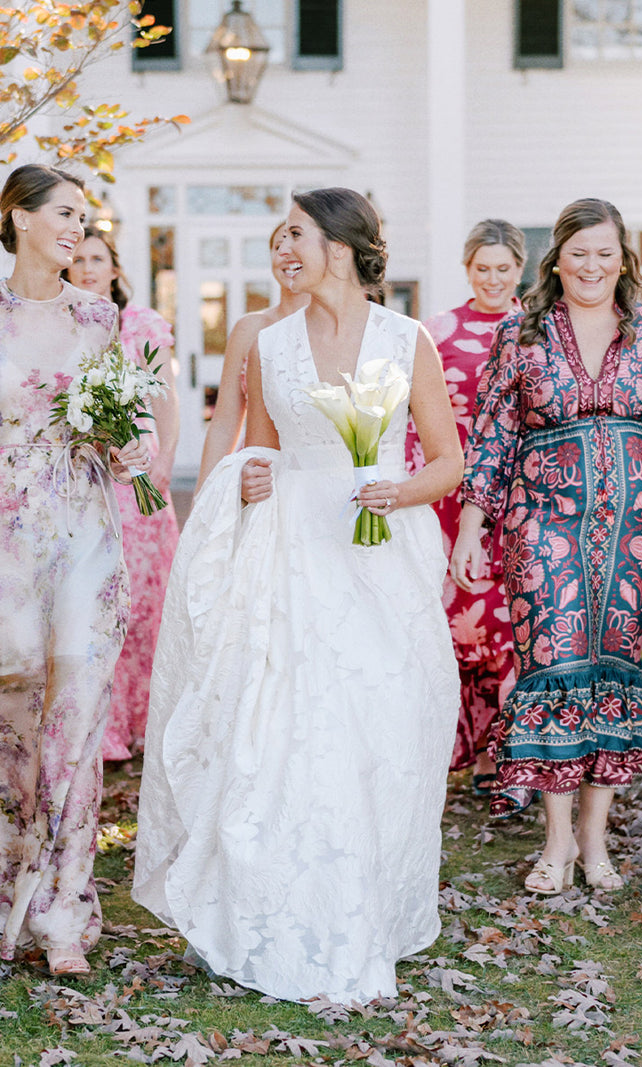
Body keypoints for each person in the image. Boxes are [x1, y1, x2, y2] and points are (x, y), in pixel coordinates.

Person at [135, 188, 462, 1003]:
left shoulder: (405, 337)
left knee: (378, 727)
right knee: (290, 731)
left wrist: (398, 490)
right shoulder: (267, 345)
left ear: (342, 249)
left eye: (299, 236)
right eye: (280, 238)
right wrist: (250, 478)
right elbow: (263, 451)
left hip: (381, 556)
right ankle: (286, 907)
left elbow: (449, 460)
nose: (284, 250)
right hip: (290, 558)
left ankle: (373, 906)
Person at [0, 164, 148, 975]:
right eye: (66, 214)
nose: (79, 228)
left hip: (84, 522)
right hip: (1, 524)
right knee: (4, 701)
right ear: (20, 219)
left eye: (86, 216)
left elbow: (123, 435)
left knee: (75, 706)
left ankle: (63, 907)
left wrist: (132, 447)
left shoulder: (99, 318)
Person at [450, 198, 642, 894]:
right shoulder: (523, 332)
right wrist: (471, 527)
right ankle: (555, 846)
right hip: (540, 522)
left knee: (609, 667)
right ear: (557, 259)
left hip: (636, 525)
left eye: (605, 253)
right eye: (579, 252)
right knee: (552, 668)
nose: (592, 266)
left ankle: (595, 843)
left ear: (624, 258)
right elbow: (492, 434)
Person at [405, 219, 527, 797]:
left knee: (516, 625)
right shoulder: (437, 332)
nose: (494, 279)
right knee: (465, 627)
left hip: (525, 496)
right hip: (454, 499)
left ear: (520, 271)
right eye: (483, 269)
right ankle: (480, 755)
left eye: (504, 269)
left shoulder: (540, 330)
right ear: (467, 269)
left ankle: (518, 756)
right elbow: (414, 421)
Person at [65, 224, 180, 760]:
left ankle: (147, 719)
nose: (88, 267)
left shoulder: (143, 325)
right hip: (85, 474)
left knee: (144, 604)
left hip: (140, 480)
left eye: (98, 258)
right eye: (79, 258)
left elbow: (166, 400)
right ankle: (102, 727)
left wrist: (164, 465)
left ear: (115, 268)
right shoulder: (62, 324)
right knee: (94, 599)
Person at [194, 222, 310, 489]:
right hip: (258, 478)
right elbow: (224, 424)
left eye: (295, 242)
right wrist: (204, 500)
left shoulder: (336, 328)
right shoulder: (250, 328)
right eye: (277, 246)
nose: (285, 252)